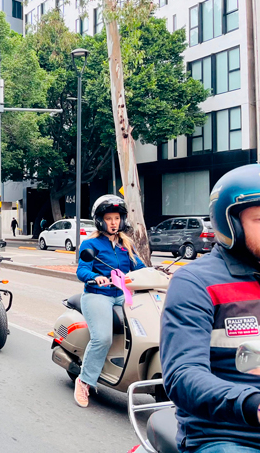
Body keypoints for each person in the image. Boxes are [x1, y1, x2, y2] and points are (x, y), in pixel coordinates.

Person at [161, 164, 260, 452]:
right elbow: (183, 374)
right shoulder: (195, 283)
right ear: (230, 225)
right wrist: (251, 404)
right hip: (228, 435)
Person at [73, 195, 145, 407]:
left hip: (122, 294)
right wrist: (95, 277)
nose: (113, 222)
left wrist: (157, 274)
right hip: (98, 294)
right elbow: (82, 270)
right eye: (108, 218)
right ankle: (84, 381)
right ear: (100, 221)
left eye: (116, 218)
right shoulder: (90, 244)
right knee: (102, 338)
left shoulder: (126, 245)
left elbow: (140, 268)